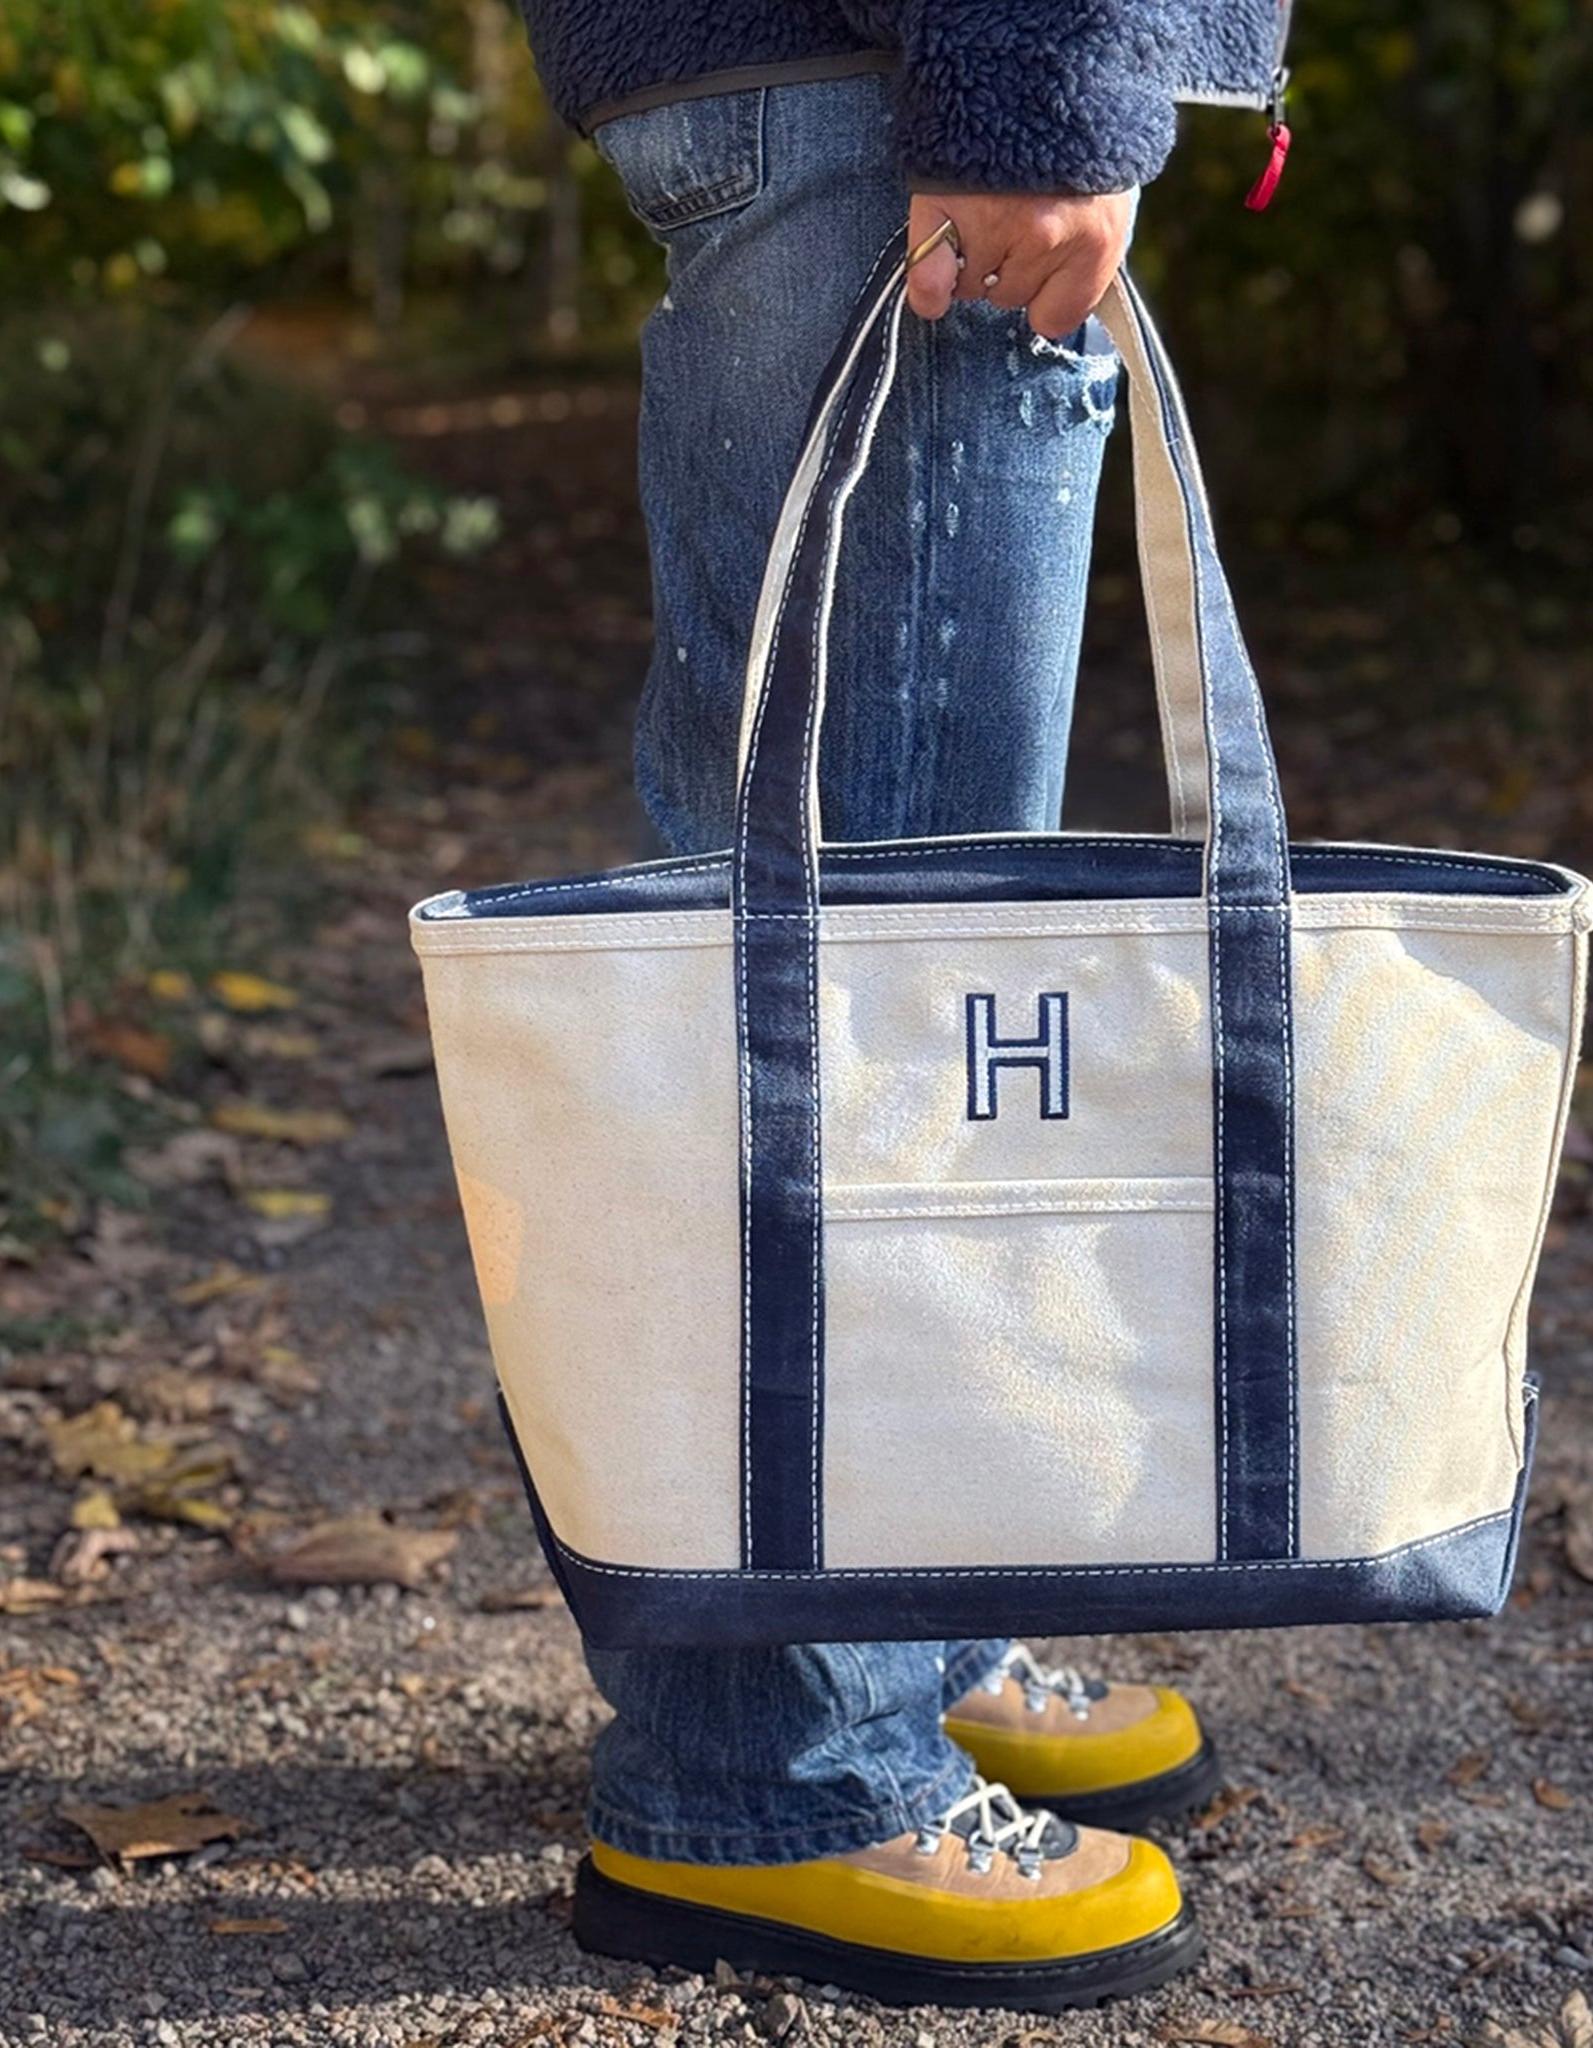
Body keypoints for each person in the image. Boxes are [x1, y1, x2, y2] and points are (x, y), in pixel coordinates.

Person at [508, 0, 1291, 2013]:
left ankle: (894, 1652)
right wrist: (1034, 74)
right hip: (898, 87)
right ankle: (775, 1774)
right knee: (865, 991)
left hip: (848, 81)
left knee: (879, 983)